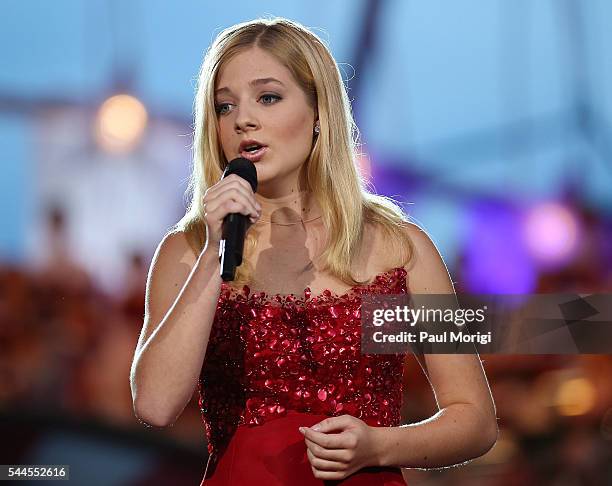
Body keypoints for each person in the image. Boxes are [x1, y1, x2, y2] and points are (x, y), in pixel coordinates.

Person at [130, 17, 498, 485]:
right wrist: (215, 252)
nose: (243, 118)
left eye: (268, 97)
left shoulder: (402, 249)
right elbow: (155, 405)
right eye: (225, 106)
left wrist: (380, 444)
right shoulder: (184, 252)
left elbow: (476, 420)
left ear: (319, 111)